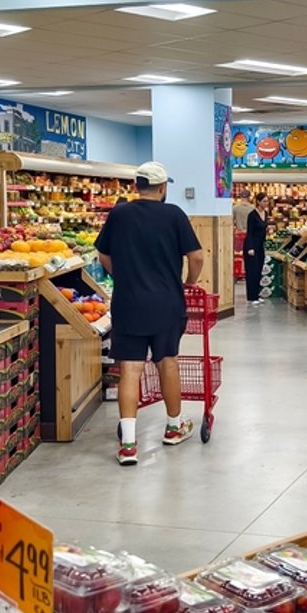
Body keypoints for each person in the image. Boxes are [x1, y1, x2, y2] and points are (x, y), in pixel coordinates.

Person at [95, 161, 205, 467]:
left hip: (128, 302)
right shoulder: (174, 215)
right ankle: (174, 427)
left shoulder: (119, 214)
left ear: (136, 186)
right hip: (166, 302)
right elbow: (196, 256)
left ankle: (128, 444)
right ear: (162, 188)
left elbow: (102, 253)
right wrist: (190, 282)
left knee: (130, 369)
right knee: (167, 362)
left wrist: (121, 275)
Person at [243, 193, 270, 305]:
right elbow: (249, 232)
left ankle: (256, 294)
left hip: (260, 245)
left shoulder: (266, 213)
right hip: (252, 245)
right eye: (264, 201)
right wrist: (250, 247)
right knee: (252, 271)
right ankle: (251, 296)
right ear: (258, 201)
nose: (266, 203)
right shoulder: (252, 215)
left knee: (258, 270)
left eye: (267, 201)